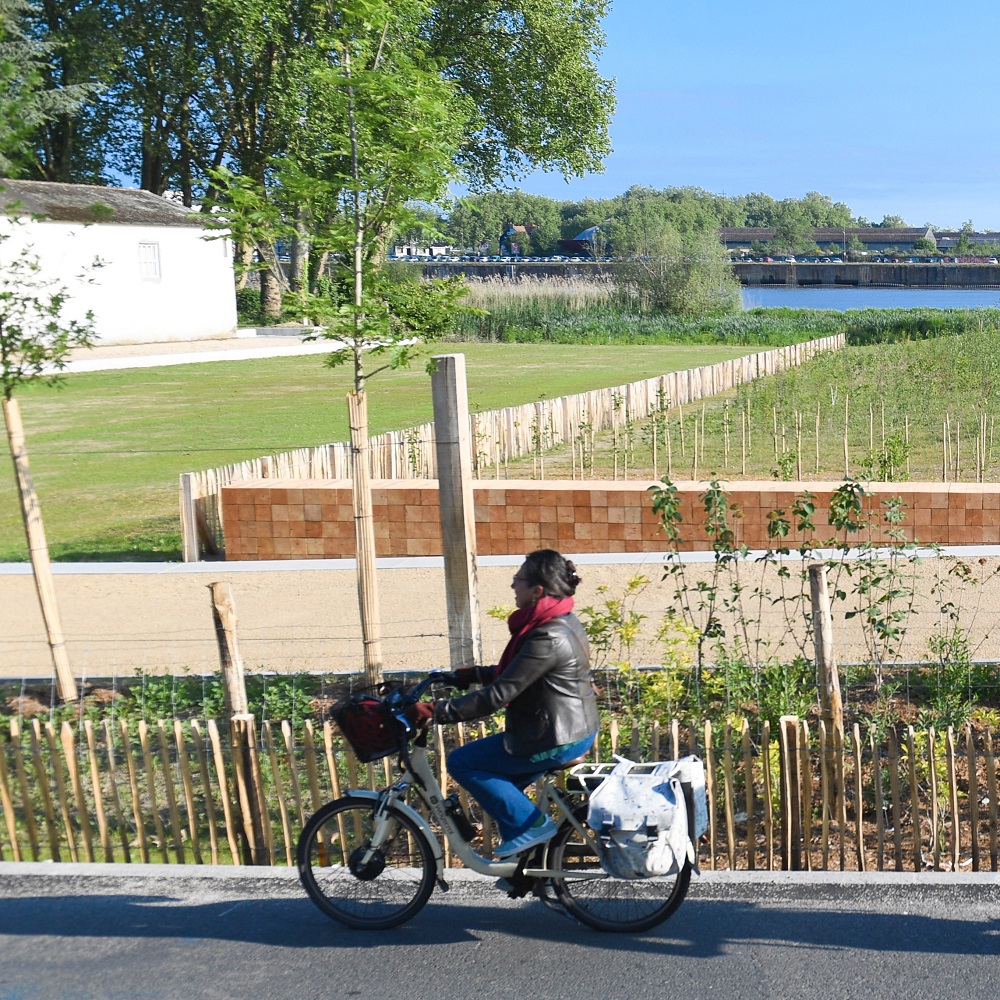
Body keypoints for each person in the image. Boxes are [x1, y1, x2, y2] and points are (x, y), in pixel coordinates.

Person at [407, 549, 599, 858]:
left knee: (463, 762)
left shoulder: (546, 636)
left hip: (555, 737)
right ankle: (529, 862)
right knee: (500, 785)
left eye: (517, 580)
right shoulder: (559, 619)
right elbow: (523, 673)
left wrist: (436, 711)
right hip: (570, 728)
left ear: (536, 591)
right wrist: (471, 676)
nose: (513, 586)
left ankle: (533, 829)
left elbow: (498, 695)